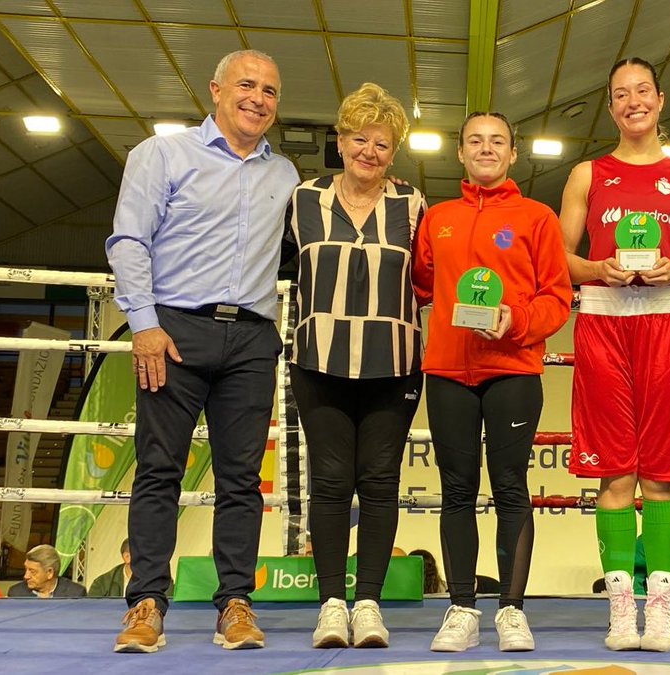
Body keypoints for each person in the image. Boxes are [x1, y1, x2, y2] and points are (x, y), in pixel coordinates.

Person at [105, 49, 298, 653]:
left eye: (269, 90)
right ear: (215, 90)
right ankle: (145, 604)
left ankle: (236, 604)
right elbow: (129, 238)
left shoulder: (287, 175)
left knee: (242, 479)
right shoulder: (162, 154)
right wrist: (142, 323)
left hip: (251, 338)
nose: (258, 98)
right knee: (159, 471)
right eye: (246, 85)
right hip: (173, 332)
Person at [560, 57, 670, 653]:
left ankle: (660, 612)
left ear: (660, 99)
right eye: (620, 94)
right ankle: (620, 612)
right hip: (602, 319)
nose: (633, 102)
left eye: (642, 92)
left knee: (662, 472)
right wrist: (595, 268)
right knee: (615, 472)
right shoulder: (586, 174)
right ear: (610, 106)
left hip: (666, 319)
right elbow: (562, 257)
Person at [412, 112, 572, 653]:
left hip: (513, 369)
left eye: (496, 141)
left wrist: (518, 321)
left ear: (513, 154)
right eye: (475, 141)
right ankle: (460, 608)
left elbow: (557, 297)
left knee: (509, 488)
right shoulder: (437, 217)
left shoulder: (537, 217)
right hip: (449, 371)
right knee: (456, 490)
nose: (485, 149)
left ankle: (511, 610)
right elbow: (421, 281)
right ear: (460, 152)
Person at [282, 82, 426, 650]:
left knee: (382, 483)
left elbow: (430, 280)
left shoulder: (412, 202)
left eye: (382, 144)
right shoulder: (303, 199)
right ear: (340, 141)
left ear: (395, 153)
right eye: (360, 139)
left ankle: (368, 603)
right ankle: (330, 605)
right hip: (319, 360)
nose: (370, 151)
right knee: (332, 484)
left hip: (393, 363)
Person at [7, 544, 86, 598]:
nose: (26, 576)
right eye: (26, 569)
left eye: (32, 571)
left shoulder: (75, 594)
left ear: (49, 572)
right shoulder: (16, 594)